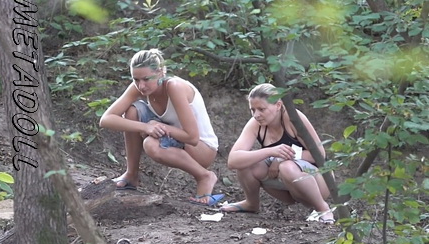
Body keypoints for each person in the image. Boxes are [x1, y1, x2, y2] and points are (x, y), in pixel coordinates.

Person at [99, 49, 224, 206]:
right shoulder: (139, 87)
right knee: (132, 111)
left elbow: (192, 137)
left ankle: (204, 176)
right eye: (136, 79)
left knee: (151, 145)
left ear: (161, 72)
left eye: (146, 79)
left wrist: (157, 126)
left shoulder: (174, 86)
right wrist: (145, 127)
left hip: (201, 148)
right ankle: (131, 175)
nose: (141, 85)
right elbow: (106, 119)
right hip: (174, 136)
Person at [219, 83, 335, 223]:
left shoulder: (293, 118)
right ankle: (251, 203)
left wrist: (281, 158)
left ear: (278, 105)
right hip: (286, 185)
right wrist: (270, 152)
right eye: (253, 110)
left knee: (287, 167)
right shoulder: (256, 123)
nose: (256, 115)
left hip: (319, 180)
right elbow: (233, 160)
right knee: (246, 164)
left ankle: (323, 208)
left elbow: (319, 155)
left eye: (261, 109)